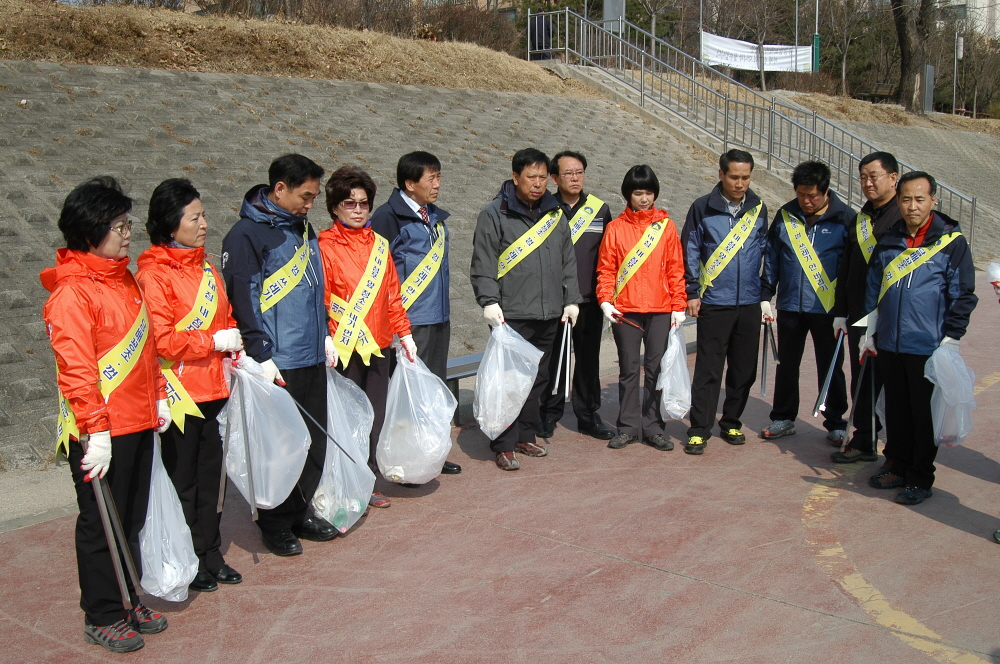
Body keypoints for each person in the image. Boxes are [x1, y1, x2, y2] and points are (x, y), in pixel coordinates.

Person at [41, 177, 170, 652]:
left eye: (127, 223)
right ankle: (101, 612)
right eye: (119, 225)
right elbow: (76, 370)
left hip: (136, 419)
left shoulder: (125, 278)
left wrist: (157, 395)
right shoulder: (72, 293)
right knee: (99, 523)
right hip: (100, 431)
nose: (128, 232)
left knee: (130, 517)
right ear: (92, 229)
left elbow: (149, 347)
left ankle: (128, 593)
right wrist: (95, 431)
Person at [221, 154, 336, 557]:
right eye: (305, 196)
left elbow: (313, 285)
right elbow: (244, 296)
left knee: (312, 441)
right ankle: (274, 522)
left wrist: (324, 332)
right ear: (280, 188)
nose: (310, 205)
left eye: (314, 197)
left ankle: (300, 511)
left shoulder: (302, 229)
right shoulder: (246, 235)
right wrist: (260, 351)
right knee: (280, 445)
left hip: (309, 354)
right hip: (277, 360)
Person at [136, 179, 244, 593]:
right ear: (170, 223)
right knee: (185, 481)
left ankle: (210, 551)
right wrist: (213, 342)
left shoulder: (207, 268)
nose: (203, 224)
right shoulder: (153, 275)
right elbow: (163, 339)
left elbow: (226, 318)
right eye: (194, 217)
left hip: (215, 387)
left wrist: (232, 345)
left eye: (202, 216)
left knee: (210, 479)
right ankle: (187, 556)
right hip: (180, 395)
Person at [862, 172, 977, 505]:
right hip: (889, 342)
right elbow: (874, 285)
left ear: (933, 201)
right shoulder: (888, 239)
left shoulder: (951, 243)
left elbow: (963, 294)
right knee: (895, 409)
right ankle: (896, 465)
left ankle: (920, 477)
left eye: (920, 199)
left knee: (922, 414)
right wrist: (869, 328)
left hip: (928, 345)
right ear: (898, 201)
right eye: (906, 199)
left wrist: (952, 336)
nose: (912, 206)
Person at [470, 148, 581, 471]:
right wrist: (488, 301)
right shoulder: (495, 213)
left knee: (537, 378)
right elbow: (483, 261)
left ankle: (525, 434)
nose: (537, 184)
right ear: (515, 177)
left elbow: (567, 260)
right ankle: (503, 443)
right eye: (530, 177)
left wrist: (571, 298)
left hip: (549, 312)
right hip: (511, 313)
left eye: (542, 177)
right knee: (509, 381)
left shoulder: (554, 213)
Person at [319, 165, 416, 505]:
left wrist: (404, 334)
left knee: (374, 416)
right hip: (343, 348)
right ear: (334, 207)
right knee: (346, 419)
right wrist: (326, 338)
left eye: (363, 203)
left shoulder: (380, 245)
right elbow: (322, 298)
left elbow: (392, 295)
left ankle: (369, 479)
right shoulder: (323, 246)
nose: (358, 210)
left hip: (378, 345)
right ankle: (345, 480)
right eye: (350, 203)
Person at [370, 152, 461, 475]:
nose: (437, 184)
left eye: (439, 177)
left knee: (433, 388)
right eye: (430, 178)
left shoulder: (433, 216)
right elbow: (377, 274)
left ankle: (431, 453)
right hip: (408, 323)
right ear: (410, 183)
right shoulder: (387, 218)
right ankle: (405, 458)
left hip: (438, 317)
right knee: (407, 394)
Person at [681, 149, 769, 455]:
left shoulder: (758, 208)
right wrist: (692, 291)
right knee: (708, 368)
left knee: (744, 368)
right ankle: (698, 428)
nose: (740, 183)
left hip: (748, 302)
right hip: (714, 301)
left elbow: (765, 252)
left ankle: (731, 420)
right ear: (721, 174)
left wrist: (766, 295)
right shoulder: (702, 207)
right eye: (734, 177)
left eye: (746, 177)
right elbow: (691, 248)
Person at [760, 161, 852, 443]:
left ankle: (836, 421)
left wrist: (845, 308)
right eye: (801, 194)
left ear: (826, 192)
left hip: (827, 309)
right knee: (786, 363)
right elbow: (773, 256)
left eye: (812, 195)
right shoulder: (786, 215)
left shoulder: (845, 219)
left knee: (831, 364)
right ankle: (783, 417)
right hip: (789, 304)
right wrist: (767, 294)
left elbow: (851, 267)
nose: (806, 201)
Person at [596, 165, 687, 451]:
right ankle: (627, 427)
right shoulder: (614, 229)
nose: (644, 198)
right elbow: (606, 269)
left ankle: (653, 427)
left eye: (649, 192)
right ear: (628, 194)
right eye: (638, 192)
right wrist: (605, 300)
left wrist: (679, 305)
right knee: (628, 370)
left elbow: (675, 268)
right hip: (625, 310)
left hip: (660, 310)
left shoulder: (666, 227)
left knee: (657, 369)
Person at [537, 151, 616, 441]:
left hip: (589, 300)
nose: (575, 178)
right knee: (551, 360)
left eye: (579, 172)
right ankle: (547, 414)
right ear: (555, 178)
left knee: (587, 360)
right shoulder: (544, 208)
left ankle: (587, 416)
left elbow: (609, 255)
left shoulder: (599, 209)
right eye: (568, 173)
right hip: (553, 301)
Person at [830, 152, 901, 464]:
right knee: (862, 378)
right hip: (860, 314)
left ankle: (900, 449)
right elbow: (846, 268)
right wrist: (841, 311)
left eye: (874, 176)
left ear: (893, 178)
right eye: (863, 177)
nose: (868, 183)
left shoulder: (903, 217)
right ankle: (865, 439)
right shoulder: (861, 218)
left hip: (894, 317)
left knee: (896, 383)